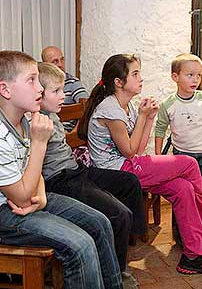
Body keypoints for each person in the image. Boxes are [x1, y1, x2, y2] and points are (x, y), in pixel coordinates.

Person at [0, 50, 122, 288]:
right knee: (79, 245)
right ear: (5, 90)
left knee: (99, 223)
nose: (40, 88)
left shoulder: (25, 121)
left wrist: (42, 198)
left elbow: (32, 172)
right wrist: (39, 143)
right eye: (31, 80)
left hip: (25, 197)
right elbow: (20, 194)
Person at [78, 53, 202, 276]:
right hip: (116, 173)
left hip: (130, 165)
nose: (141, 78)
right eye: (135, 74)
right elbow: (130, 151)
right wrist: (144, 117)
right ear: (119, 82)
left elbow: (138, 147)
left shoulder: (128, 106)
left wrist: (149, 117)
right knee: (189, 164)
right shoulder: (110, 109)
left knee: (183, 189)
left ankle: (194, 257)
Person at [38, 62, 145, 278]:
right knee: (119, 214)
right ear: (38, 94)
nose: (63, 95)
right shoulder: (37, 121)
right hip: (61, 180)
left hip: (76, 170)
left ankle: (126, 241)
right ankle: (115, 272)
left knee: (129, 182)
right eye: (57, 91)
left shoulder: (52, 114)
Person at [155, 53, 202, 216]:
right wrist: (158, 155)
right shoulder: (168, 104)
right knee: (184, 195)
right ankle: (182, 232)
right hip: (182, 158)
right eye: (190, 75)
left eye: (198, 75)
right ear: (175, 77)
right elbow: (160, 129)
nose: (195, 80)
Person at [42, 46, 88, 131]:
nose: (60, 64)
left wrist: (74, 134)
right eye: (55, 61)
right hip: (45, 131)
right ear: (45, 65)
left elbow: (87, 106)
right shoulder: (40, 84)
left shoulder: (73, 83)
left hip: (66, 133)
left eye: (62, 60)